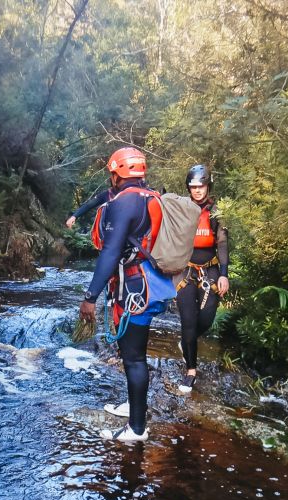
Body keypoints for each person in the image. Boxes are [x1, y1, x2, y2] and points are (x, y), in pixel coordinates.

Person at [79, 147, 174, 442]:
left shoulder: (125, 201)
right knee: (131, 354)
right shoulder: (150, 197)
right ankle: (133, 408)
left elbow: (110, 251)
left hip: (134, 288)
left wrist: (90, 297)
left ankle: (136, 428)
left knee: (134, 358)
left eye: (112, 172)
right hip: (148, 281)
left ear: (117, 172)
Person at [175, 164, 229, 393]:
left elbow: (223, 244)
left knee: (205, 319)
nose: (197, 191)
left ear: (208, 186)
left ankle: (186, 341)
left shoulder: (216, 212)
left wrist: (224, 275)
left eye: (201, 186)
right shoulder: (183, 209)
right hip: (185, 271)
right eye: (193, 187)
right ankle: (191, 371)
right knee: (188, 320)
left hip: (210, 270)